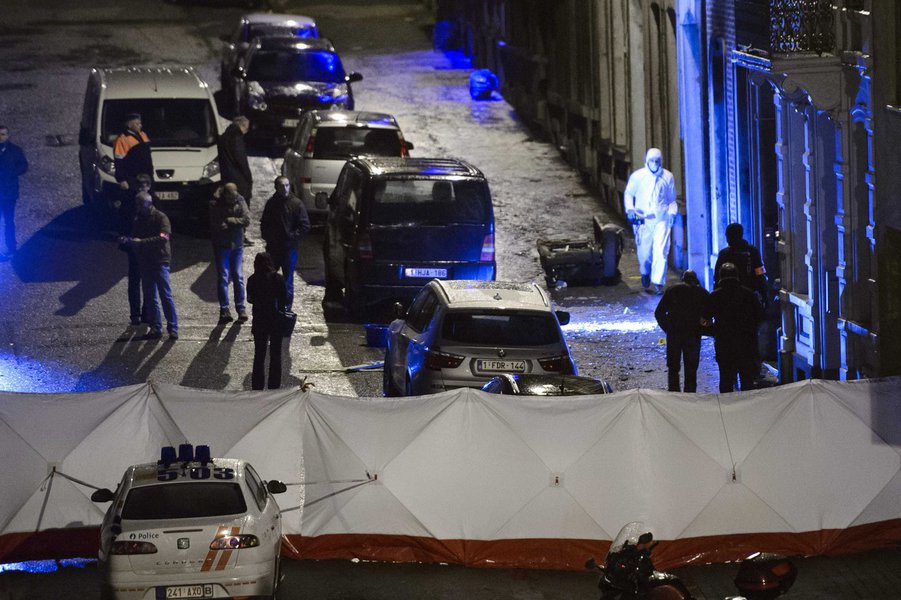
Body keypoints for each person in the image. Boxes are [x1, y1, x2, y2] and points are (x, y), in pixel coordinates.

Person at [120, 192, 178, 341]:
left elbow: (164, 237)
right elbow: (136, 237)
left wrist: (141, 243)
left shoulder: (160, 217)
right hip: (146, 262)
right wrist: (128, 241)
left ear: (147, 204)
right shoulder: (139, 219)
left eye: (140, 204)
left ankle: (172, 327)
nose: (137, 207)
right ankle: (156, 328)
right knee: (151, 297)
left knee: (165, 295)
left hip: (159, 261)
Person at [623, 148, 678, 295]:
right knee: (645, 253)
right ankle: (645, 272)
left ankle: (659, 283)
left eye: (657, 161)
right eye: (652, 161)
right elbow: (629, 193)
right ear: (647, 161)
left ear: (661, 161)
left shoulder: (667, 177)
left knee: (661, 251)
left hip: (662, 219)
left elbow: (671, 199)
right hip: (642, 219)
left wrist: (672, 212)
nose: (655, 163)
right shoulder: (638, 176)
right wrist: (630, 209)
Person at [704, 262, 763, 393]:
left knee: (726, 379)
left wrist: (713, 331)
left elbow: (705, 318)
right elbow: (760, 315)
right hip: (746, 342)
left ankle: (726, 410)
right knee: (747, 380)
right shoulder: (749, 295)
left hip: (724, 343)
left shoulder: (715, 296)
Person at [260, 176, 311, 310]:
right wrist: (269, 238)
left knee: (288, 281)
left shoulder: (296, 204)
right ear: (276, 187)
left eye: (287, 185)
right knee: (271, 278)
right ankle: (273, 307)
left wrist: (291, 237)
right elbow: (264, 223)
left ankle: (286, 308)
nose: (285, 188)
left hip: (289, 248)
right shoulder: (272, 203)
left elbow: (305, 225)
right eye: (282, 186)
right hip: (274, 248)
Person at [654, 270, 710, 393]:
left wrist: (668, 328)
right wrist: (704, 328)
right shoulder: (702, 293)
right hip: (693, 334)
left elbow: (659, 313)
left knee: (673, 367)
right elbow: (709, 316)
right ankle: (690, 395)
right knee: (691, 367)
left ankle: (674, 393)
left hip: (674, 333)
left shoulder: (672, 291)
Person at [209, 183, 251, 324]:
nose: (234, 199)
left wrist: (230, 220)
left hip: (236, 244)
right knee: (224, 277)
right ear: (225, 195)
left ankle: (241, 308)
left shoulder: (240, 200)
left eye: (234, 197)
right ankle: (225, 309)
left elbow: (247, 220)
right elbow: (217, 224)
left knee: (238, 277)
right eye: (231, 197)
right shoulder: (216, 205)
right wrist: (235, 222)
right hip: (223, 245)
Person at [247, 252, 287, 390]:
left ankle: (257, 385)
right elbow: (284, 298)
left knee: (259, 354)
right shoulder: (278, 278)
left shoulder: (252, 279)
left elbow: (250, 299)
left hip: (259, 320)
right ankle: (274, 385)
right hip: (276, 320)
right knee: (275, 354)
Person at [120, 174, 156, 325]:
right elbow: (122, 222)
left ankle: (145, 313)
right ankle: (135, 315)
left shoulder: (153, 202)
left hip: (146, 248)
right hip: (135, 248)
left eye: (145, 185)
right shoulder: (129, 203)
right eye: (140, 185)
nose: (143, 188)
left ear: (149, 186)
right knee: (135, 281)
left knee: (146, 282)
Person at [217, 116, 254, 246]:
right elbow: (241, 160)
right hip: (239, 179)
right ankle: (240, 235)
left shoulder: (223, 137)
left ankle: (230, 234)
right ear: (241, 125)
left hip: (227, 177)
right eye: (246, 128)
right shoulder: (237, 138)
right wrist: (248, 177)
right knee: (241, 205)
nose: (247, 131)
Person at [714, 222, 767, 303]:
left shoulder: (724, 254)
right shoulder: (752, 251)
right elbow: (760, 274)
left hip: (728, 298)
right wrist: (764, 296)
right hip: (749, 296)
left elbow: (717, 277)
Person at [0, 125, 28, 260]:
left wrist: (12, 173)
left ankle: (11, 247)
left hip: (9, 192)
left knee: (9, 221)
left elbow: (24, 165)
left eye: (3, 134)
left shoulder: (15, 151)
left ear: (8, 136)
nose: (1, 137)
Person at [113, 113, 153, 207]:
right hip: (132, 178)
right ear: (129, 125)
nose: (140, 126)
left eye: (140, 123)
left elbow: (148, 157)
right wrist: (122, 179)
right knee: (134, 203)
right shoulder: (122, 139)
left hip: (146, 176)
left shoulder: (143, 135)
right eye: (137, 124)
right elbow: (119, 161)